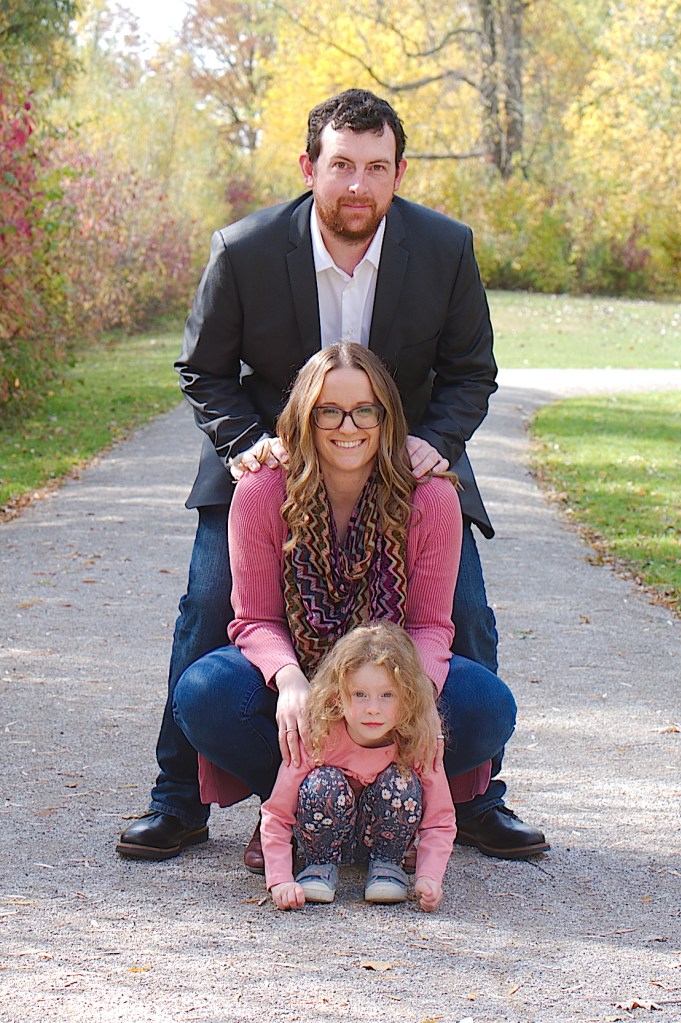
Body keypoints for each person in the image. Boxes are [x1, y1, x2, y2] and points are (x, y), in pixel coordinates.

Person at [116, 88, 548, 864]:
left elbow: (471, 372)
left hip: (405, 465)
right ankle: (179, 798)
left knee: (465, 612)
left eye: (377, 167)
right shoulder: (244, 249)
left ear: (399, 172)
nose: (358, 184)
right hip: (270, 467)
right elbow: (202, 368)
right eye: (342, 165)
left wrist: (435, 442)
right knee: (209, 601)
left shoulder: (445, 248)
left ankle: (475, 799)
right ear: (308, 166)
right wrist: (245, 444)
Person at [169, 344, 522, 895]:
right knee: (204, 694)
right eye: (328, 411)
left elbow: (431, 626)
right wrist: (289, 680)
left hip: (387, 684)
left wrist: (418, 695)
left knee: (486, 706)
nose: (348, 427)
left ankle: (392, 809)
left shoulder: (429, 496)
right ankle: (298, 811)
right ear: (304, 418)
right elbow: (254, 619)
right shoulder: (263, 490)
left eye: (364, 411)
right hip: (302, 672)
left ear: (387, 417)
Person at [261, 622, 456, 912]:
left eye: (387, 695)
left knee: (400, 782)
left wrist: (429, 877)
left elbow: (440, 819)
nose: (373, 708)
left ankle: (387, 866)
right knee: (322, 782)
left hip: (382, 842)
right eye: (360, 694)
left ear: (408, 697)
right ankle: (320, 866)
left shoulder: (416, 741)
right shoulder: (319, 737)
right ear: (337, 696)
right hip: (325, 839)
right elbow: (277, 813)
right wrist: (279, 880)